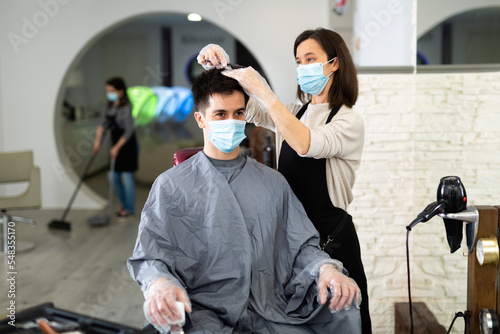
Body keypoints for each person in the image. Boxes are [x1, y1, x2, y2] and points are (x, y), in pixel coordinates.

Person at [127, 69, 361, 333]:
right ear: (200, 119)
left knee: (344, 307)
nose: (232, 121)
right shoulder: (171, 185)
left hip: (271, 307)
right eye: (220, 114)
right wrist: (159, 283)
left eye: (238, 113)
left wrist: (326, 269)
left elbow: (301, 246)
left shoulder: (272, 182)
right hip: (204, 311)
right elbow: (150, 254)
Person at [197, 27, 371, 333]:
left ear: (334, 63)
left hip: (329, 240)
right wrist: (222, 65)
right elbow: (242, 108)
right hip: (292, 239)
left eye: (310, 58)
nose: (303, 67)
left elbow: (305, 143)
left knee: (340, 318)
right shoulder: (295, 111)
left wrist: (265, 92)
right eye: (298, 60)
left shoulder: (348, 121)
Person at [92, 77, 138, 219]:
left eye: (112, 91)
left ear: (120, 91)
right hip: (115, 146)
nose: (109, 94)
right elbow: (102, 124)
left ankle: (128, 209)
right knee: (112, 177)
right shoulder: (109, 106)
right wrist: (97, 142)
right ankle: (124, 204)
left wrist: (117, 148)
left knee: (126, 178)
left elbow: (128, 131)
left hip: (127, 145)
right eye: (107, 91)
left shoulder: (126, 107)